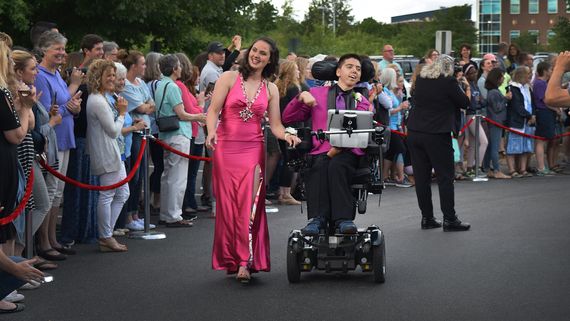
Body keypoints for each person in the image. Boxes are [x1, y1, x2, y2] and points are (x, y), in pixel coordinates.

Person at [206, 37, 300, 283]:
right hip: (226, 148)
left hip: (252, 151)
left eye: (263, 53)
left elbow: (277, 126)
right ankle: (232, 257)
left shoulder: (270, 89)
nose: (257, 55)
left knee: (251, 204)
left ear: (270, 59)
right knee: (229, 206)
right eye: (255, 50)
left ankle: (245, 261)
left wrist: (289, 135)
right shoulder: (228, 78)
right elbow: (213, 111)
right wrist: (211, 131)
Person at [283, 54, 371, 236]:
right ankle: (317, 219)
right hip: (320, 150)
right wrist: (300, 98)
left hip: (348, 151)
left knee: (337, 164)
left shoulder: (362, 101)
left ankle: (343, 219)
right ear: (338, 71)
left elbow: (358, 131)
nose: (354, 70)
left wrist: (335, 150)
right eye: (349, 66)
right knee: (320, 164)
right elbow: (288, 118)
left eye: (358, 68)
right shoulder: (316, 94)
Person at [0, 32, 44, 314]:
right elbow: (17, 133)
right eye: (5, 55)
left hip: (12, 161)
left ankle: (10, 275)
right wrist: (26, 107)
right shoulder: (3, 91)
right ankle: (11, 274)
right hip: (11, 157)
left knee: (8, 224)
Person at [406, 55, 471, 231]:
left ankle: (427, 218)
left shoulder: (421, 79)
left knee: (422, 178)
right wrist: (467, 88)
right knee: (445, 177)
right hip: (436, 133)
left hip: (414, 131)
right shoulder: (448, 81)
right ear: (449, 68)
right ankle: (450, 219)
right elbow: (465, 103)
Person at [34, 31, 82, 259]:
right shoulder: (41, 76)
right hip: (52, 140)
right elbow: (45, 114)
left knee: (57, 193)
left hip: (65, 137)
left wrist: (74, 107)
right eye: (58, 49)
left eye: (64, 49)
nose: (63, 53)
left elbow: (65, 105)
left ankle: (52, 238)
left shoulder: (57, 75)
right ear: (44, 50)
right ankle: (43, 242)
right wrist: (69, 106)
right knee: (50, 191)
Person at [85, 59, 130, 252]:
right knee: (107, 194)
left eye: (113, 75)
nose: (112, 79)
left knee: (122, 193)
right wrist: (122, 114)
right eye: (108, 75)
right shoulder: (96, 100)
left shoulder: (104, 98)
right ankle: (105, 236)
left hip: (114, 152)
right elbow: (113, 130)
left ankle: (107, 234)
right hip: (106, 152)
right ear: (98, 78)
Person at [156, 55, 200, 227]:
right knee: (177, 177)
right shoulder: (173, 87)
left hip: (166, 134)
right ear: (174, 69)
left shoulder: (161, 84)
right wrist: (199, 117)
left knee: (168, 175)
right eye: (179, 66)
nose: (181, 68)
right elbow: (181, 114)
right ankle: (174, 214)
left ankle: (166, 213)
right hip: (178, 133)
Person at [117, 50, 154, 230]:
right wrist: (144, 107)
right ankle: (128, 217)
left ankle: (136, 214)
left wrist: (145, 107)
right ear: (133, 66)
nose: (145, 66)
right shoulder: (127, 87)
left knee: (140, 177)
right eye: (142, 63)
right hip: (135, 133)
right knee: (134, 174)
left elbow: (151, 105)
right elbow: (141, 107)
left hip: (145, 131)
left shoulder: (142, 83)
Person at [506, 66, 535, 178]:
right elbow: (516, 105)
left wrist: (533, 115)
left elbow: (532, 103)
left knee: (525, 146)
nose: (530, 75)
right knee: (512, 146)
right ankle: (512, 169)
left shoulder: (528, 88)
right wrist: (528, 116)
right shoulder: (512, 88)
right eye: (528, 73)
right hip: (516, 121)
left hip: (528, 121)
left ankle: (522, 169)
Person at [484, 68, 512, 179]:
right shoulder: (494, 92)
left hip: (494, 121)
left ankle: (487, 168)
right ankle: (496, 170)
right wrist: (505, 99)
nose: (503, 79)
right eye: (501, 77)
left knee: (490, 146)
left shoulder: (492, 91)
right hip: (496, 121)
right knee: (495, 147)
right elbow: (497, 108)